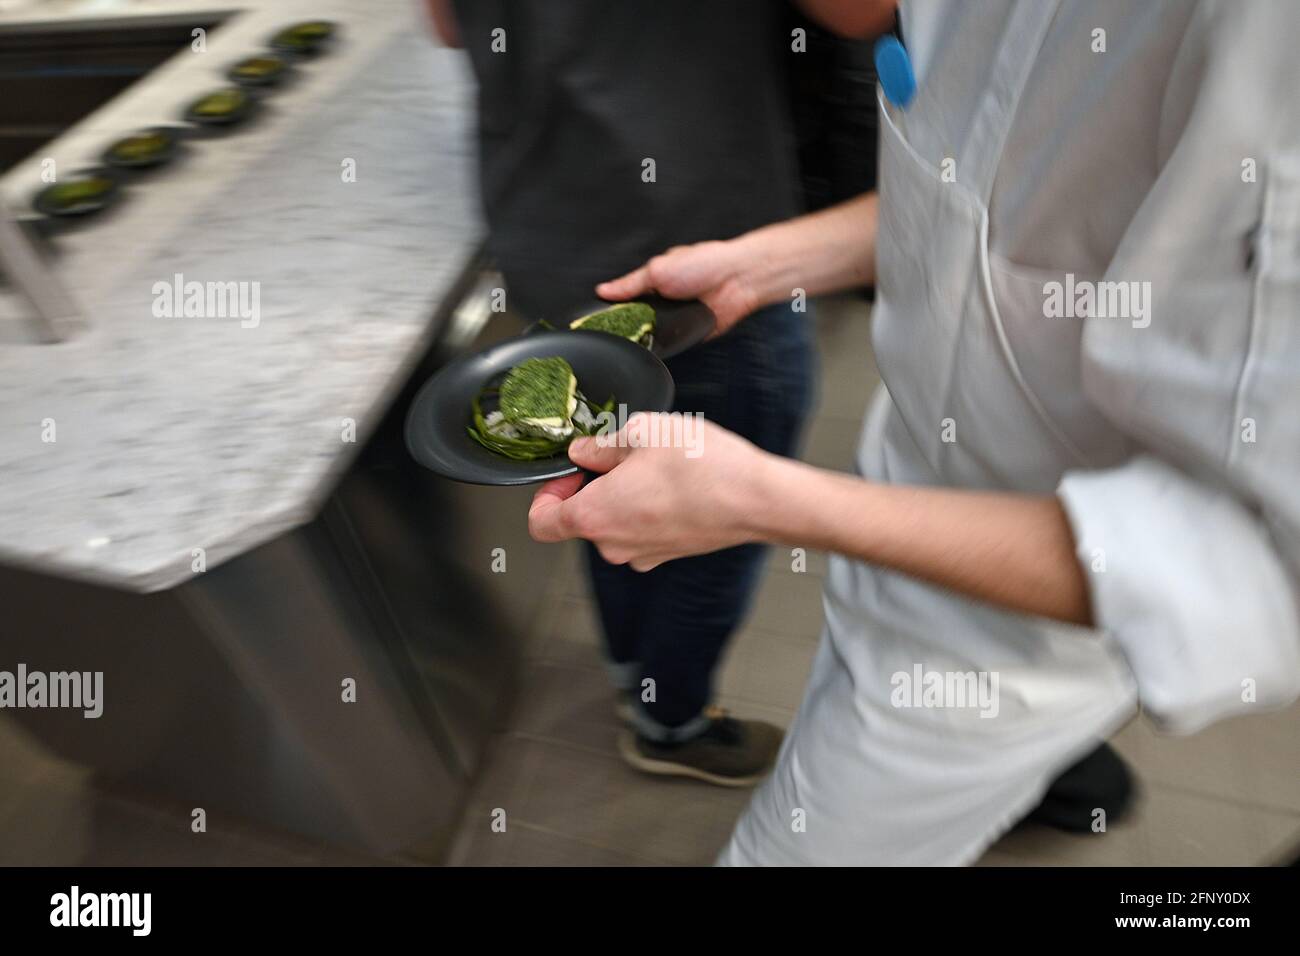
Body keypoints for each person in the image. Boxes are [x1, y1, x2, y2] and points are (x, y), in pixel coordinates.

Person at [528, 0, 1300, 864]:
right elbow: (979, 200)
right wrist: (768, 263)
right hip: (901, 485)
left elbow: (1256, 565)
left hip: (1006, 636)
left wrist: (765, 501)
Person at [427, 0, 834, 784]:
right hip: (693, 253)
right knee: (725, 515)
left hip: (549, 232)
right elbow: (862, 13)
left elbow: (449, 24)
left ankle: (629, 668)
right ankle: (670, 720)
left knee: (597, 464)